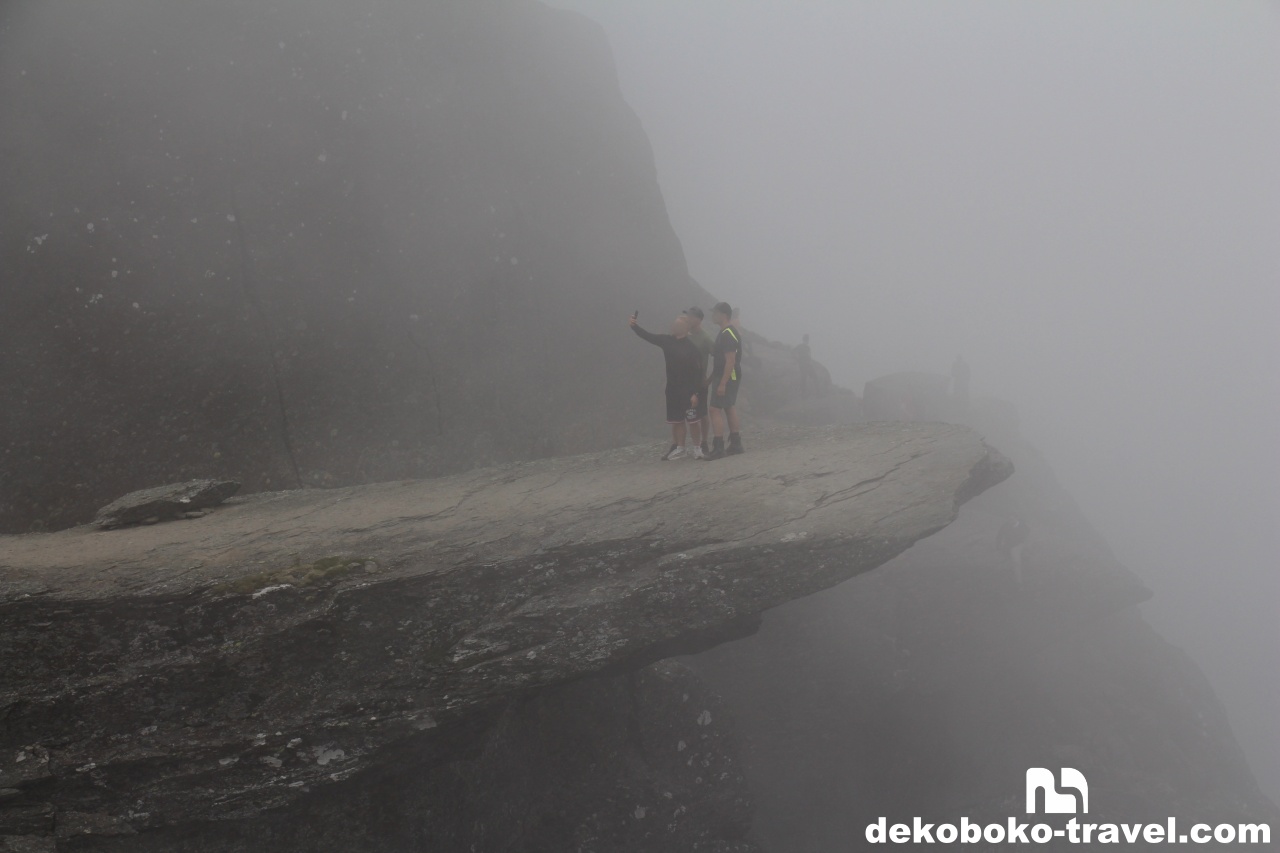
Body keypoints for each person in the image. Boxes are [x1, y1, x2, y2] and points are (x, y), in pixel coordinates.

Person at [630, 313, 702, 460]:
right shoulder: (666, 341)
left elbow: (697, 372)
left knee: (693, 421)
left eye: (677, 325)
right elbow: (648, 336)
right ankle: (681, 448)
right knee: (678, 420)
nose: (673, 327)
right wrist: (634, 326)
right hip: (673, 389)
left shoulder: (692, 348)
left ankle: (697, 448)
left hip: (688, 391)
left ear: (686, 328)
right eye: (673, 324)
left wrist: (696, 393)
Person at [704, 301, 743, 460]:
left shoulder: (727, 334)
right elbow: (722, 360)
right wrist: (712, 378)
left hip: (728, 376)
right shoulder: (726, 331)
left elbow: (730, 360)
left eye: (715, 312)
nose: (713, 315)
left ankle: (719, 447)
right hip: (728, 375)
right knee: (728, 406)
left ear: (723, 315)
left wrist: (721, 383)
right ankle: (735, 443)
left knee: (714, 409)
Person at [683, 307, 715, 457]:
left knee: (702, 414)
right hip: (684, 381)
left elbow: (720, 357)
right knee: (689, 413)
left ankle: (704, 442)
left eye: (690, 316)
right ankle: (689, 445)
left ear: (698, 319)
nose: (687, 318)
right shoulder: (685, 335)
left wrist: (710, 379)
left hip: (699, 382)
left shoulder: (705, 338)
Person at [796, 333, 817, 397]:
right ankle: (818, 394)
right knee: (814, 377)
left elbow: (793, 352)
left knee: (803, 379)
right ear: (807, 340)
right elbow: (809, 356)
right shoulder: (807, 347)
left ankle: (803, 394)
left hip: (802, 365)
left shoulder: (799, 346)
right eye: (807, 339)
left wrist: (798, 359)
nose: (807, 341)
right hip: (806, 365)